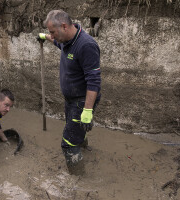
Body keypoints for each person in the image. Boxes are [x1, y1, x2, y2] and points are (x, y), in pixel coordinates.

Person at [37, 10, 101, 174]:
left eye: (52, 32)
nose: (52, 35)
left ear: (64, 26)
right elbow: (56, 42)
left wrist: (87, 110)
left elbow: (94, 81)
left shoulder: (86, 46)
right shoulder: (66, 40)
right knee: (75, 130)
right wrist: (44, 37)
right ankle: (83, 146)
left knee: (68, 143)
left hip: (82, 101)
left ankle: (78, 178)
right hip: (71, 99)